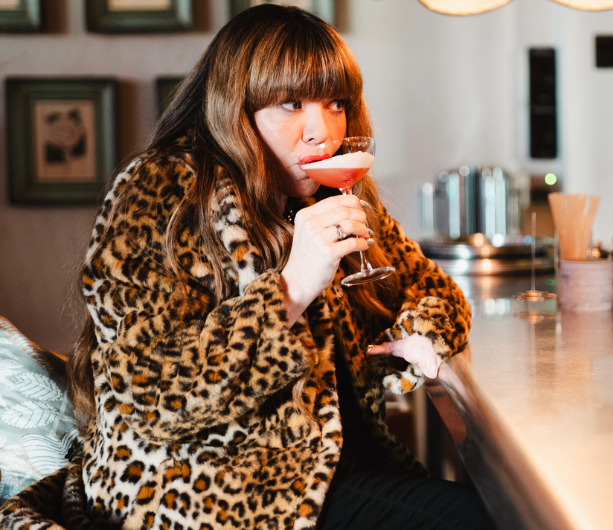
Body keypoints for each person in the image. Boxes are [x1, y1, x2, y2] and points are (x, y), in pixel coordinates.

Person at [0, 5, 494, 529]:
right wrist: (292, 288)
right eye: (290, 104)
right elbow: (150, 397)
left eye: (335, 104)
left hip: (326, 474)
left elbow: (431, 288)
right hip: (203, 490)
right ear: (238, 108)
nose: (320, 132)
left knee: (490, 506)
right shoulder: (163, 192)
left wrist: (415, 336)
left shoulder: (331, 193)